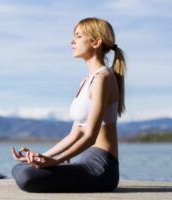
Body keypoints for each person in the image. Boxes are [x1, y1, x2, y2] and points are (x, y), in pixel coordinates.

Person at [11, 17, 126, 193]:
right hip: (86, 160)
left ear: (96, 42)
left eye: (79, 36)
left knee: (27, 177)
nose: (72, 42)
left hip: (102, 168)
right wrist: (41, 157)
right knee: (21, 168)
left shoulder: (103, 79)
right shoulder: (86, 81)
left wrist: (55, 161)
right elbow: (73, 136)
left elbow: (91, 136)